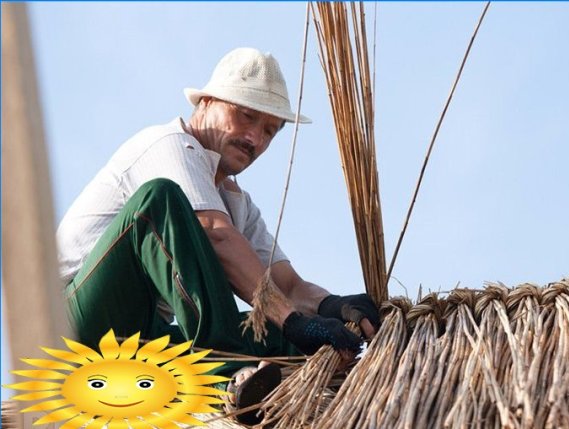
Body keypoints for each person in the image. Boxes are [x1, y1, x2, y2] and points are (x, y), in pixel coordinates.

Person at [56, 47, 380, 421]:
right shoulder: (168, 146)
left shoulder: (237, 203)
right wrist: (294, 320)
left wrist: (331, 306)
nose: (255, 138)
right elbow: (216, 233)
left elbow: (288, 287)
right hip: (71, 325)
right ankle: (228, 370)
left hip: (137, 343)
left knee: (280, 337)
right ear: (206, 103)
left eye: (270, 132)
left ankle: (250, 385)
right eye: (246, 116)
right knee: (159, 199)